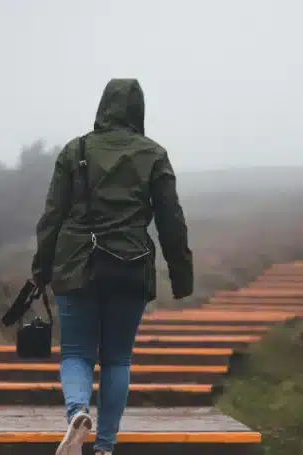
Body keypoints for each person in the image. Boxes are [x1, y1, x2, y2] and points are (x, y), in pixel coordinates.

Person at [31, 78, 194, 455]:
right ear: (139, 110)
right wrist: (181, 275)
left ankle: (77, 413)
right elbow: (171, 219)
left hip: (74, 264)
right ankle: (105, 447)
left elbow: (52, 216)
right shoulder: (153, 154)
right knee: (118, 358)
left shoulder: (76, 150)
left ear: (102, 107)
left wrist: (41, 270)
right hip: (130, 265)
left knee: (76, 353)